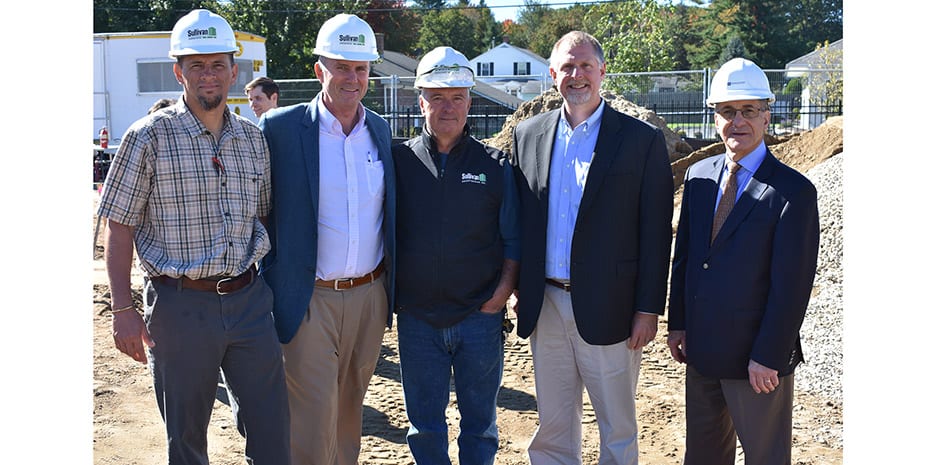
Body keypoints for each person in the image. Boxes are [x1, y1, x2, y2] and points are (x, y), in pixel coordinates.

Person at [97, 9, 289, 465]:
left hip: (249, 303)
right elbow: (119, 227)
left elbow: (262, 214)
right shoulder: (148, 138)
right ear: (178, 71)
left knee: (274, 432)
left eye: (217, 64)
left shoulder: (251, 140)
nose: (208, 75)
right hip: (180, 307)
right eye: (197, 65)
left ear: (233, 71)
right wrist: (123, 309)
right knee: (186, 443)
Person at [510, 31, 674, 465]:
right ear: (552, 75)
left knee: (617, 427)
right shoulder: (527, 136)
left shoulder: (640, 141)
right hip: (545, 303)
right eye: (567, 66)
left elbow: (656, 233)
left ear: (602, 71)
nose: (577, 75)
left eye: (585, 66)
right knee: (553, 424)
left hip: (614, 308)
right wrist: (517, 285)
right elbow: (519, 220)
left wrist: (648, 309)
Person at [666, 57, 819, 465]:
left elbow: (792, 286)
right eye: (728, 111)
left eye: (749, 111)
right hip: (702, 352)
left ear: (767, 115)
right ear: (715, 116)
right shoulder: (699, 177)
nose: (738, 121)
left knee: (765, 457)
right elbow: (685, 261)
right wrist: (677, 323)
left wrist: (769, 355)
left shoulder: (793, 191)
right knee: (703, 456)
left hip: (757, 362)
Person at [257, 13, 395, 465]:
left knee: (349, 414)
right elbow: (257, 208)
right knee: (312, 423)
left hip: (370, 297)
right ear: (320, 71)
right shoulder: (280, 129)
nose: (351, 78)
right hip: (308, 297)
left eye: (360, 68)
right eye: (341, 66)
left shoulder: (379, 130)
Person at [393, 46, 520, 465]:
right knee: (425, 427)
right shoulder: (399, 161)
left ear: (470, 100)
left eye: (457, 96)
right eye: (437, 96)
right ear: (420, 99)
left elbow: (513, 239)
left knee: (480, 427)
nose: (448, 106)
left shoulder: (496, 165)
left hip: (478, 319)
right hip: (417, 320)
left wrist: (499, 295)